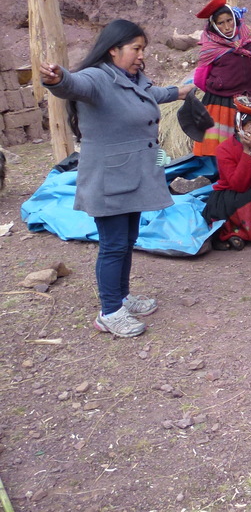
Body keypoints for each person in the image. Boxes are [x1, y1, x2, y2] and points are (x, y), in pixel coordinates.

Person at [40, 19, 195, 338]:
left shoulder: (133, 79)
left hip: (135, 176)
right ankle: (109, 312)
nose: (141, 55)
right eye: (136, 49)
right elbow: (73, 85)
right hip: (109, 181)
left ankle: (122, 296)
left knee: (126, 240)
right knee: (112, 245)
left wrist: (182, 91)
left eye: (143, 49)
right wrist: (57, 79)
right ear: (113, 49)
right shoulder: (97, 78)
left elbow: (155, 93)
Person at [192, 0, 251, 157]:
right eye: (221, 23)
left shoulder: (249, 33)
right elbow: (199, 80)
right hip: (224, 102)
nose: (227, 26)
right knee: (226, 150)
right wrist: (219, 84)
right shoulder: (210, 46)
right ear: (214, 25)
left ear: (235, 19)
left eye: (229, 20)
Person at [202, 96, 251, 251]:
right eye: (250, 125)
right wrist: (247, 150)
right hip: (232, 193)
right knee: (248, 198)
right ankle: (233, 235)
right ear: (239, 126)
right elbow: (239, 185)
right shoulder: (224, 149)